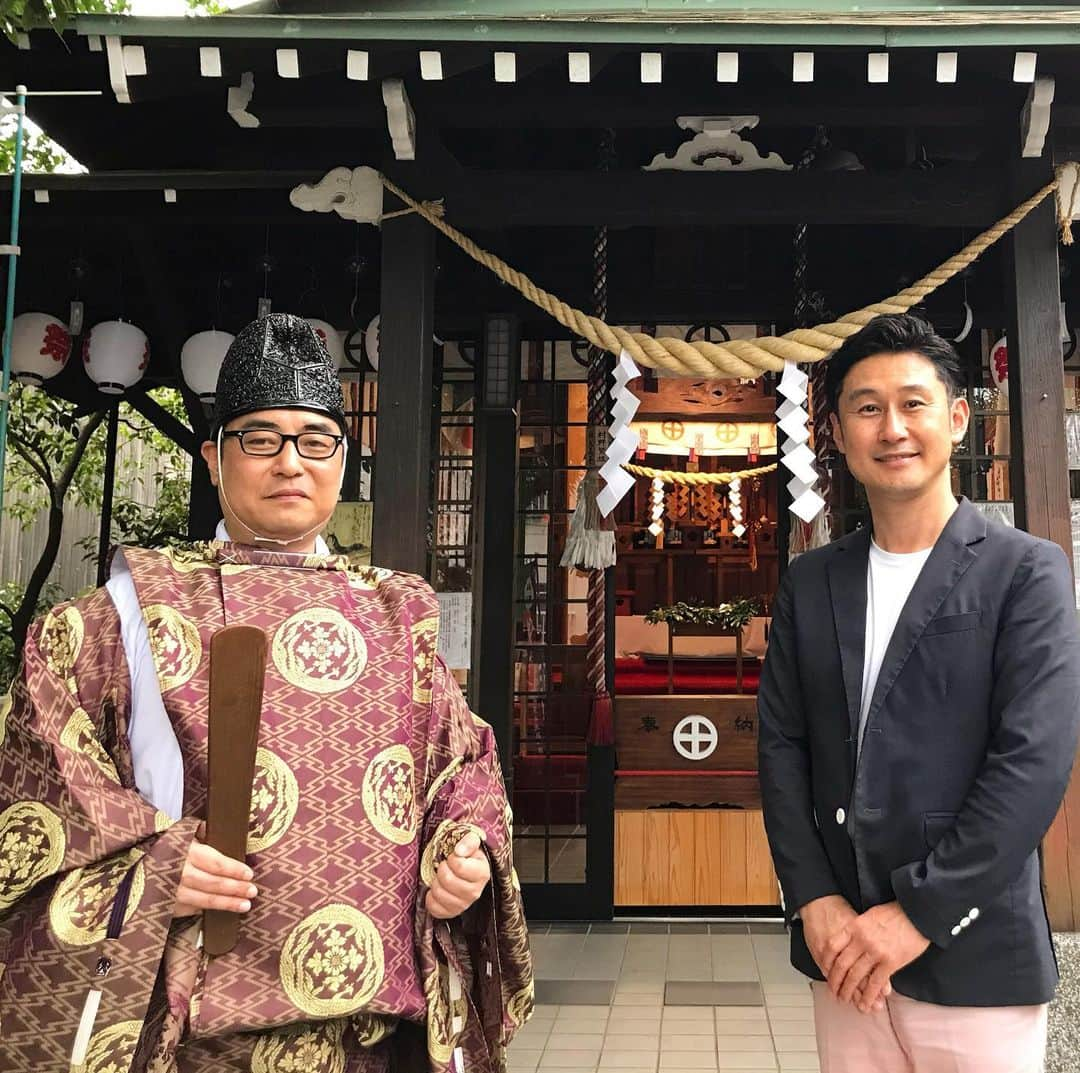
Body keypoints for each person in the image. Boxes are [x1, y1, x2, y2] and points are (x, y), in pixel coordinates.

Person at [0, 314, 533, 1072]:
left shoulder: (395, 608)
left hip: (374, 1030)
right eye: (261, 438)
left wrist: (466, 845)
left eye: (315, 441)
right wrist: (144, 866)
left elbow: (461, 762)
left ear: (343, 462)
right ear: (216, 457)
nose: (291, 462)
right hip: (195, 1028)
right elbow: (41, 781)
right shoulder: (124, 615)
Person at [758, 313, 1080, 1073]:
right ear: (837, 432)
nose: (892, 427)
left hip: (975, 952)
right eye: (867, 407)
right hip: (843, 954)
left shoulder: (1024, 572)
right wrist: (814, 900)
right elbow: (782, 746)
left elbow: (1031, 765)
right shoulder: (812, 580)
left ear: (957, 417)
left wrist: (916, 915)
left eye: (913, 403)